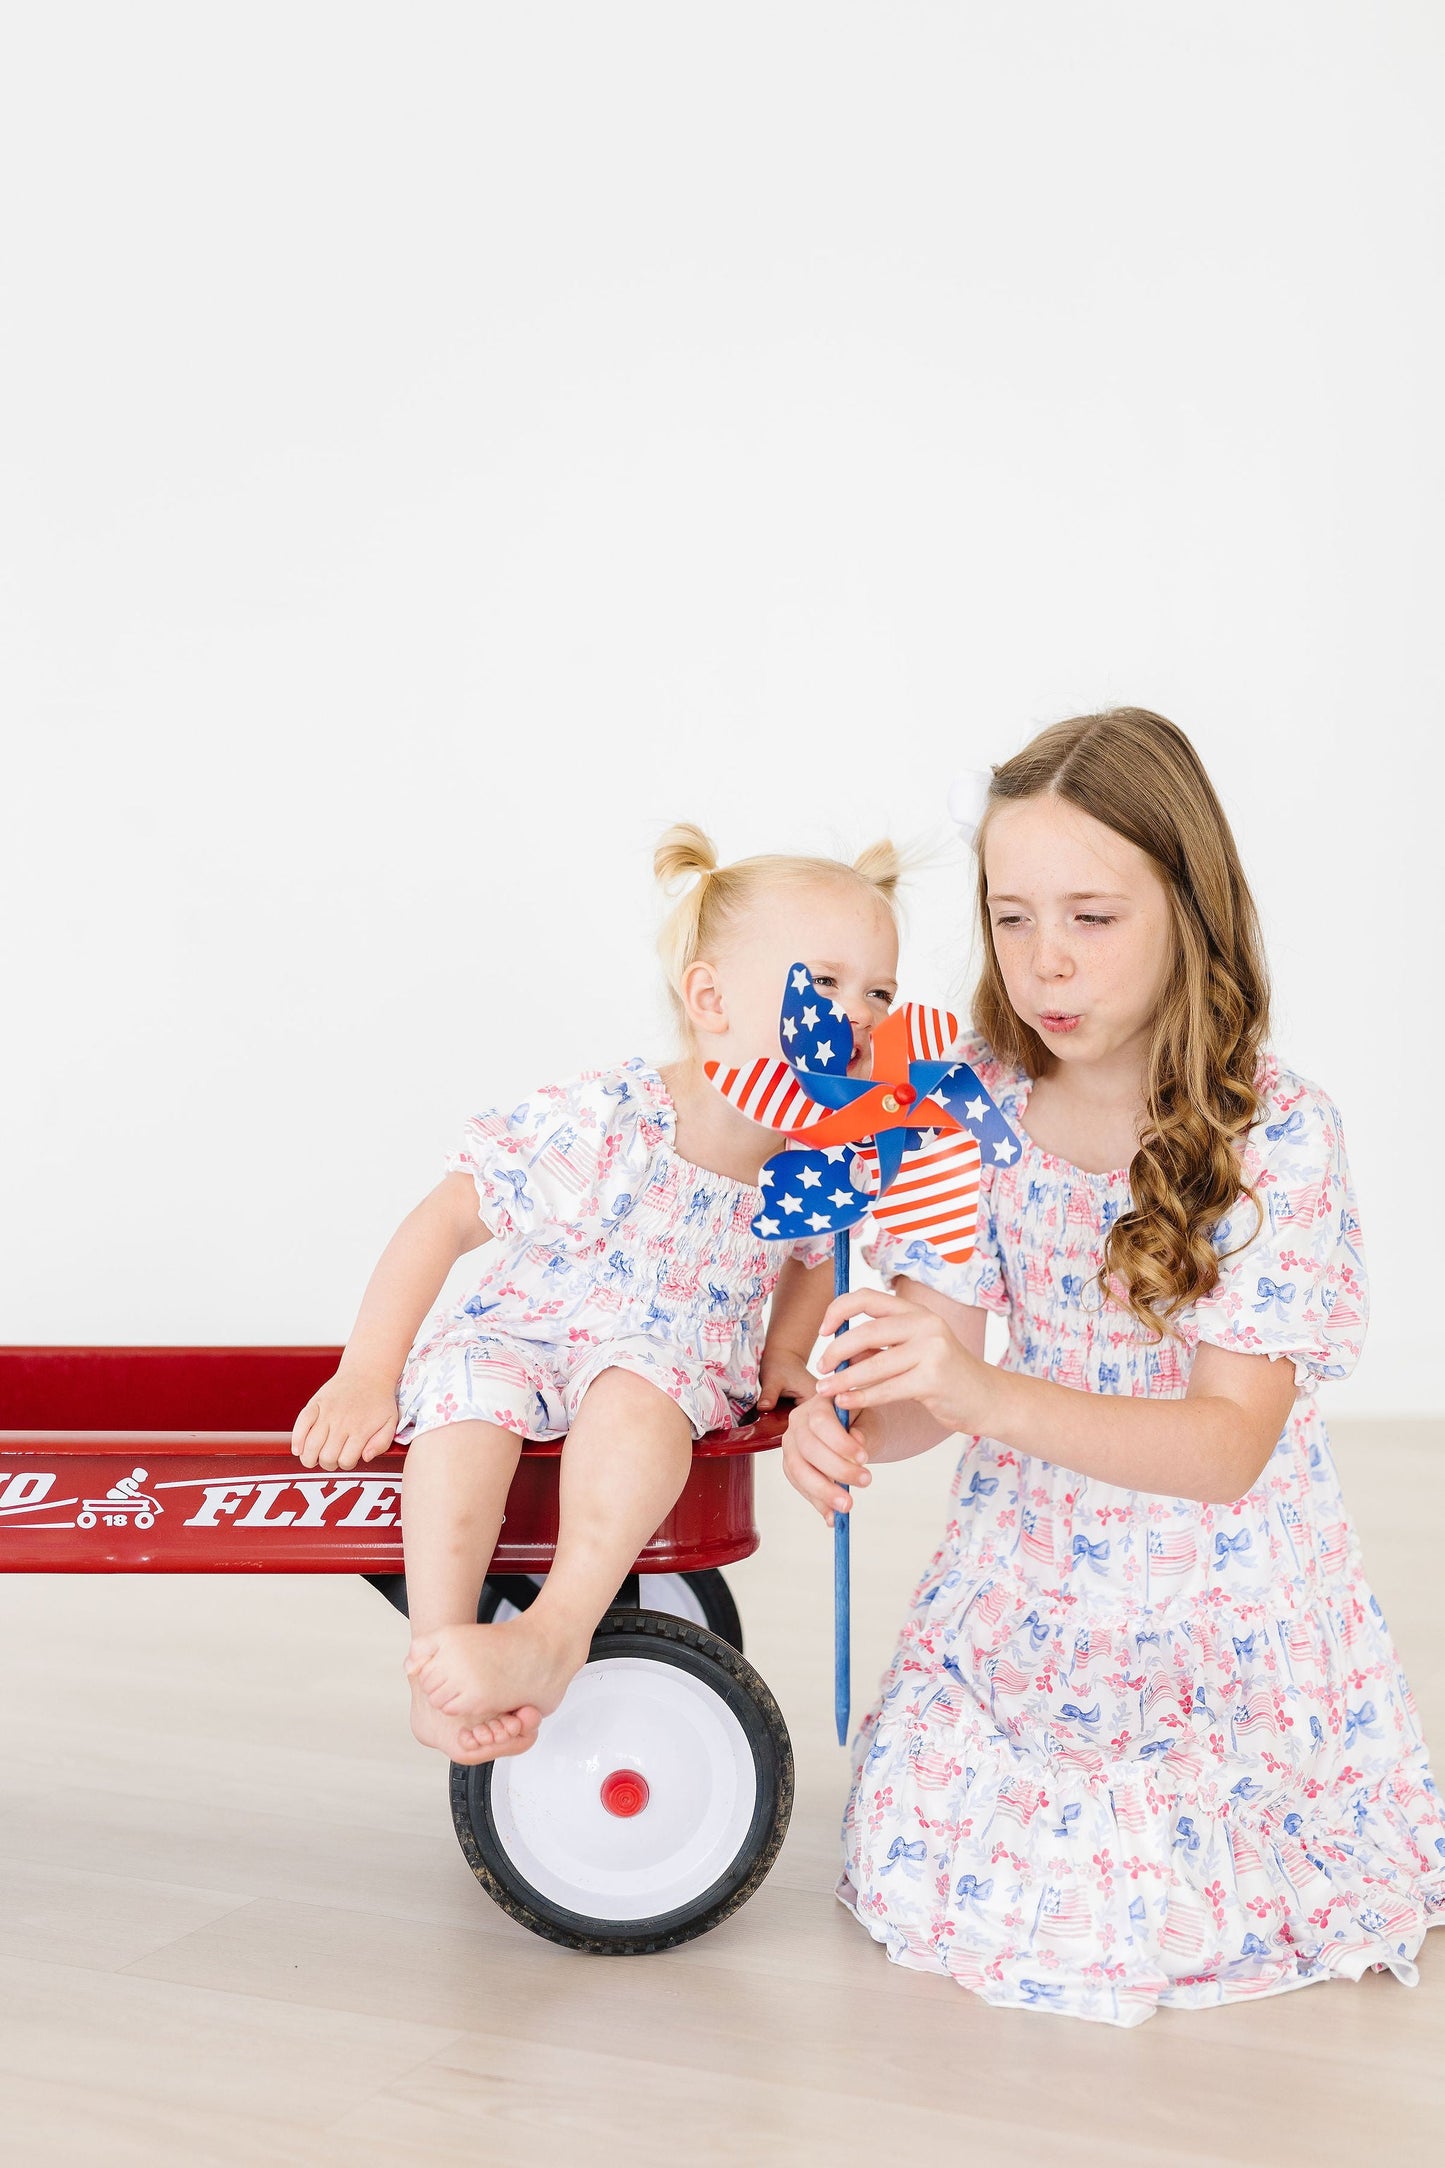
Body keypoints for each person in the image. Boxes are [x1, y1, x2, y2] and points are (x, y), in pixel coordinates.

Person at [785, 707, 1443, 2024]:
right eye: (1010, 915)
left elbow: (1222, 1449)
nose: (1043, 964)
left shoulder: (1276, 1136)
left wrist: (976, 1398)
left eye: (1091, 917)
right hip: (1028, 1576)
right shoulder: (972, 1099)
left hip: (1220, 1592)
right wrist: (851, 1411)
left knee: (1143, 1871)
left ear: (1187, 909)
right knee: (925, 1816)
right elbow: (941, 1373)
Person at [290, 825, 891, 1764]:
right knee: (466, 1399)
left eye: (878, 994)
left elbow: (816, 1256)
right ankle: (436, 1654)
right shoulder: (616, 1116)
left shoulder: (819, 1156)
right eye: (821, 985)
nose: (855, 1017)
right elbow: (447, 1218)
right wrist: (368, 1373)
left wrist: (783, 1353)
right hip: (528, 1333)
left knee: (635, 1392)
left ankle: (553, 1634)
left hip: (665, 1356)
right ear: (709, 998)